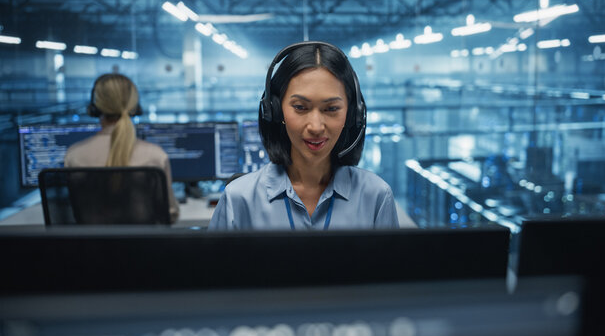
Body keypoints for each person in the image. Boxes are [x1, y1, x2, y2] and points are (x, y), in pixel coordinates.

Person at [209, 41, 399, 230]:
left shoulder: (376, 196)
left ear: (352, 116)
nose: (315, 127)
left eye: (331, 108)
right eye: (300, 107)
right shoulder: (239, 199)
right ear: (274, 111)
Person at [64, 73, 179, 222]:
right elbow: (170, 214)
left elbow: (72, 213)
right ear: (135, 107)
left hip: (91, 245)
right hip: (144, 245)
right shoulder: (155, 156)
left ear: (94, 108)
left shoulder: (74, 156)